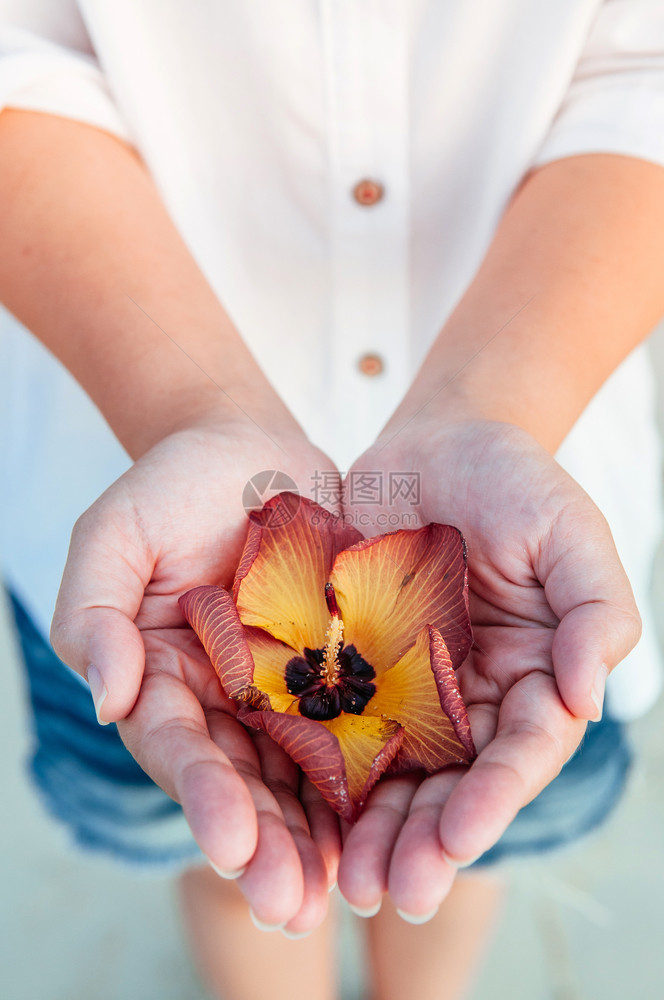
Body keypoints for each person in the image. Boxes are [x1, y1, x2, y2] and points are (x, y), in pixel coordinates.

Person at [1, 2, 663, 999]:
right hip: (124, 509)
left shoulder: (429, 671)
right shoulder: (231, 636)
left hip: (540, 452)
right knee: (226, 855)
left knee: (461, 853)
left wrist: (493, 410)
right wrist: (191, 411)